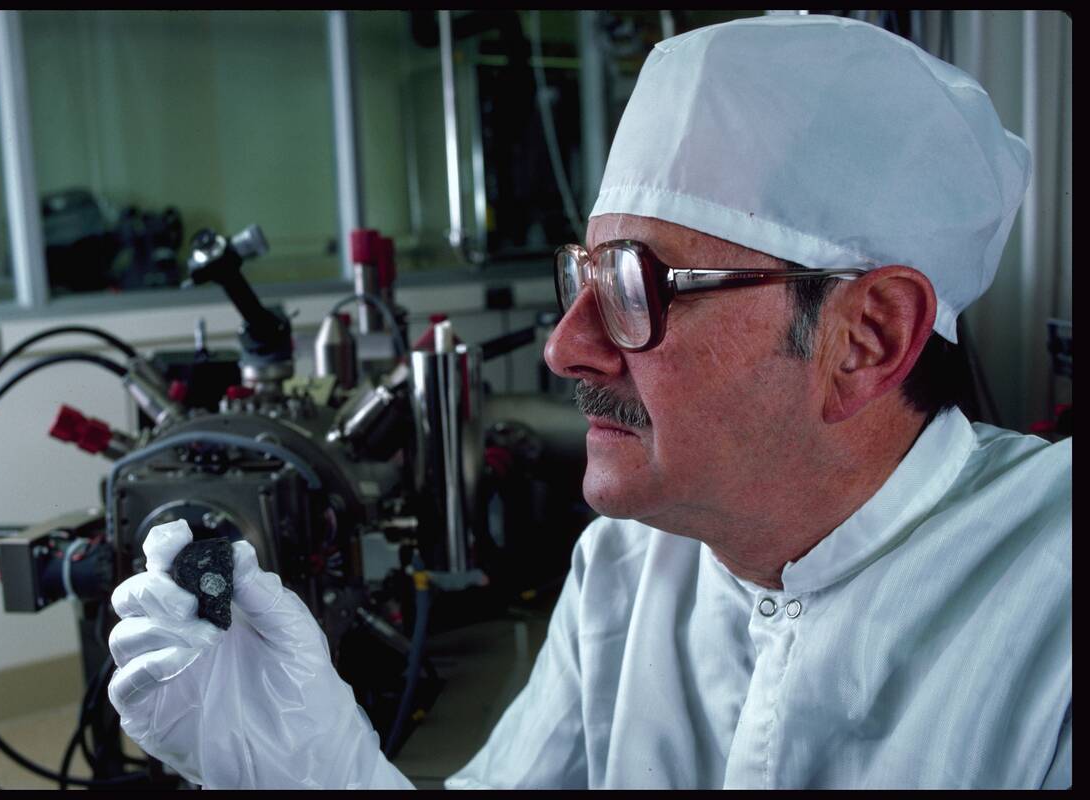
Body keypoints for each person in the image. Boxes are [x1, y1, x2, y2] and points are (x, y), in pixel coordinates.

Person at [107, 14, 1071, 789]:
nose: (567, 346)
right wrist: (316, 769)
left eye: (637, 285)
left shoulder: (1054, 611)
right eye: (586, 275)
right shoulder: (633, 563)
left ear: (867, 338)